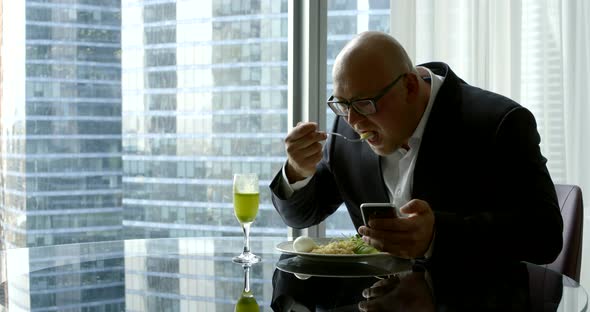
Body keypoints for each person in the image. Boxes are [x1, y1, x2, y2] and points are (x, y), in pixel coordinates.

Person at [269, 31, 563, 264]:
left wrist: (437, 235)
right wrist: (297, 171)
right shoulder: (347, 123)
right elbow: (303, 216)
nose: (353, 121)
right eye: (341, 104)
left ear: (410, 86)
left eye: (364, 104)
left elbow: (544, 236)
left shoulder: (499, 123)